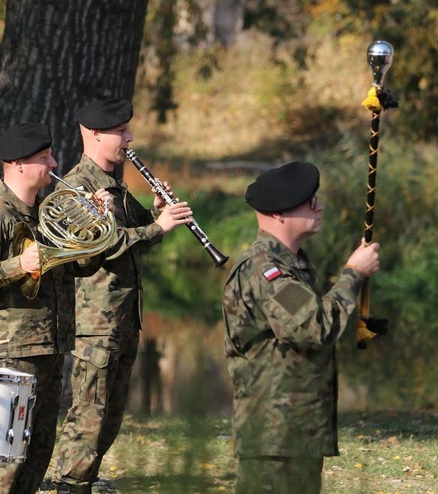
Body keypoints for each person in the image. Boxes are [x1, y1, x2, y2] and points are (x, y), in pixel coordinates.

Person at [0, 122, 109, 494]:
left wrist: (98, 222)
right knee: (1, 468)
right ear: (19, 164)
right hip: (11, 355)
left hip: (50, 350)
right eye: (45, 158)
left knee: (37, 458)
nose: (55, 164)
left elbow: (81, 266)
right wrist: (18, 265)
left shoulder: (44, 212)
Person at [53, 98, 193, 493]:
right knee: (89, 414)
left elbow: (132, 238)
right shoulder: (77, 187)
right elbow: (101, 246)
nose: (129, 138)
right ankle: (70, 484)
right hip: (95, 324)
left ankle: (87, 479)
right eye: (121, 132)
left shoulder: (114, 184)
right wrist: (159, 228)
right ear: (96, 135)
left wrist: (155, 211)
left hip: (123, 319)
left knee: (111, 415)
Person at [223, 161, 381, 493]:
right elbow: (314, 327)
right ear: (280, 214)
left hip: (291, 433)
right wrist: (353, 273)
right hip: (274, 440)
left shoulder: (289, 266)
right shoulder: (268, 273)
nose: (319, 206)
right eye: (310, 202)